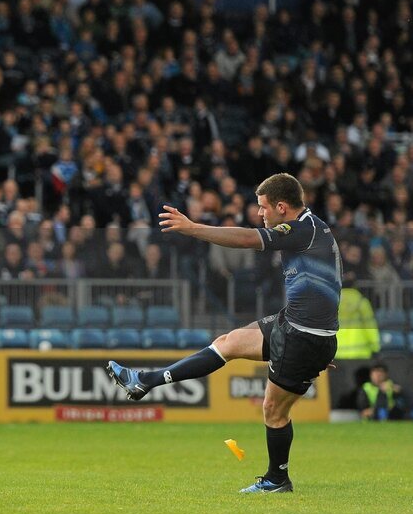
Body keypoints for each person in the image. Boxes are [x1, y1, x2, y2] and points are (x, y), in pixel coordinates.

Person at [107, 173, 342, 493]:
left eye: (263, 208)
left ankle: (277, 480)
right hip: (299, 327)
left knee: (274, 410)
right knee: (227, 342)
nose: (261, 214)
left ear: (282, 208)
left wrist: (192, 228)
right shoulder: (311, 228)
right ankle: (145, 381)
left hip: (304, 335)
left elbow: (248, 239)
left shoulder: (301, 229)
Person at [335, 280, 380, 359]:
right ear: (354, 286)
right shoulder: (362, 302)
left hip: (337, 352)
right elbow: (370, 325)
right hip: (360, 352)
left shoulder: (332, 302)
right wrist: (375, 347)